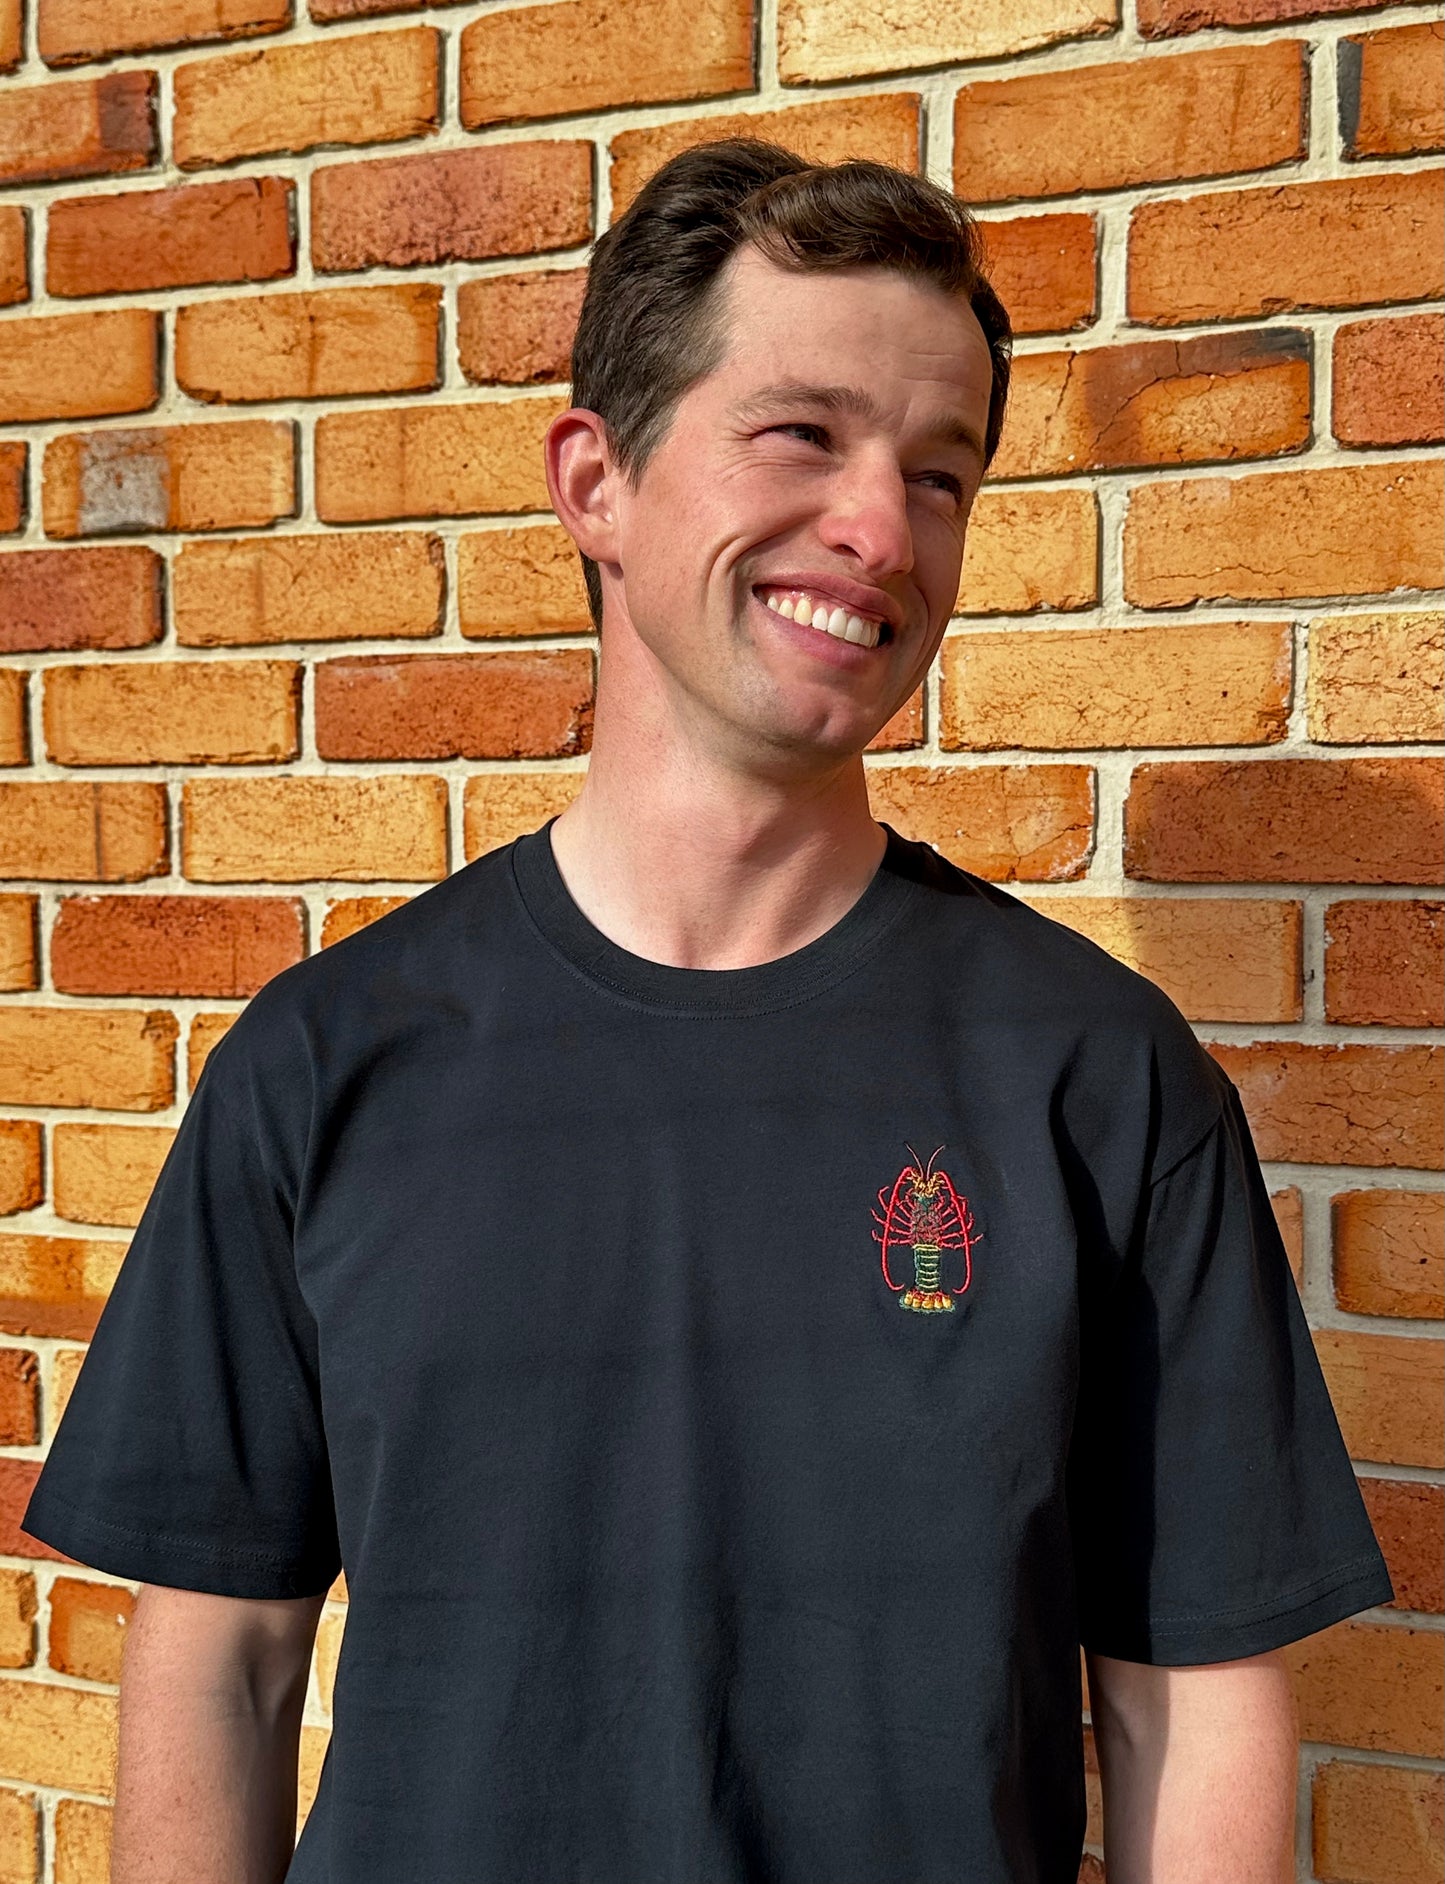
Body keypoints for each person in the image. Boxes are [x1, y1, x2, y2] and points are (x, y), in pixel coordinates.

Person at [23, 139, 1392, 1884]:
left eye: (942, 471)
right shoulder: (321, 1066)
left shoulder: (1101, 1083)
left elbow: (1187, 1699)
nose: (880, 528)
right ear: (595, 482)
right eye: (801, 434)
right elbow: (219, 1656)